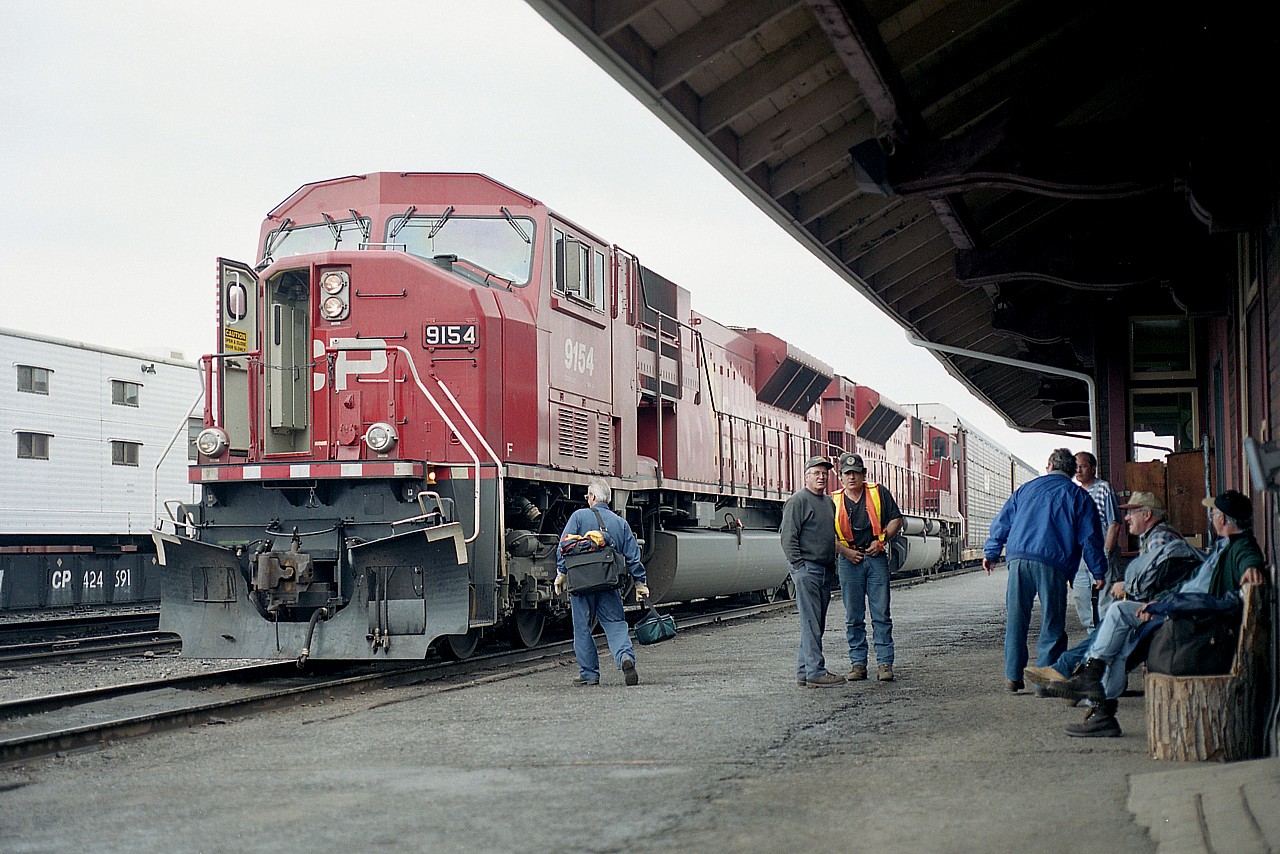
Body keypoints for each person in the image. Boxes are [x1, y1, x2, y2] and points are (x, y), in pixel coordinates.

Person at [1045, 490, 1267, 737]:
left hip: (1198, 622)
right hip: (1185, 611)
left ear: (1224, 519)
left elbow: (1247, 558)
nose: (1212, 516)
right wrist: (1157, 602)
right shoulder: (1223, 546)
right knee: (1119, 620)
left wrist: (1252, 567)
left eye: (1214, 512)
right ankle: (1093, 675)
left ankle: (1101, 706)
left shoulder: (1239, 546)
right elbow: (1189, 584)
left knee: (1123, 642)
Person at [1023, 491, 1198, 688]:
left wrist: (1127, 586)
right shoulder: (1155, 536)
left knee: (1112, 622)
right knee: (1106, 627)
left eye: (1132, 512)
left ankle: (1070, 672)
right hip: (1164, 605)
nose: (1126, 518)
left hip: (1163, 609)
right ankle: (1074, 674)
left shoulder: (1159, 539)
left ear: (1147, 515)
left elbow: (1161, 581)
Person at [984, 448, 1106, 692]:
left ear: (1050, 465)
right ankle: (1045, 682)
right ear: (1072, 472)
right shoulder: (1078, 496)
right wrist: (1099, 572)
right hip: (1053, 562)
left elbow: (1002, 522)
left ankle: (1013, 676)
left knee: (1017, 619)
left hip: (1019, 560)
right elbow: (1090, 538)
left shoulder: (1026, 489)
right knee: (1052, 622)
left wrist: (991, 553)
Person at [554, 480, 649, 687]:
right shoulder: (619, 523)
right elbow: (633, 556)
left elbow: (564, 546)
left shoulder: (578, 516)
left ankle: (589, 674)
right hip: (609, 583)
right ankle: (625, 657)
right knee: (615, 624)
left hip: (581, 585)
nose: (587, 499)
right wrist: (640, 583)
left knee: (582, 628)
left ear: (593, 497)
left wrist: (561, 573)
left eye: (588, 496)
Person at [832, 452, 903, 681]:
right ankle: (858, 664)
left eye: (856, 473)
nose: (852, 477)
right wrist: (845, 551)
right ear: (841, 477)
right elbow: (825, 533)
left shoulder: (878, 492)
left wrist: (881, 541)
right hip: (848, 560)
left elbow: (896, 519)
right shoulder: (832, 500)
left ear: (864, 474)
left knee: (881, 613)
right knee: (853, 615)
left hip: (875, 558)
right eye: (847, 473)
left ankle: (884, 664)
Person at [780, 456, 843, 688]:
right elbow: (788, 537)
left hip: (824, 570)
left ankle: (804, 671)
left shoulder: (829, 503)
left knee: (815, 622)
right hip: (808, 569)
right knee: (811, 622)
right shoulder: (797, 501)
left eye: (825, 473)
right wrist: (799, 568)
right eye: (816, 473)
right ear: (806, 476)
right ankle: (816, 671)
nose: (821, 476)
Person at [1072, 452, 1122, 630]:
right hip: (1079, 560)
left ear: (1093, 468)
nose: (1078, 470)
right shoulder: (1074, 492)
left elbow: (1114, 524)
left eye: (1083, 466)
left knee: (1104, 604)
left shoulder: (1104, 488)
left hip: (1101, 555)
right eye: (1075, 466)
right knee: (1083, 603)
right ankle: (1093, 645)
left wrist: (1106, 554)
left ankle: (1107, 646)